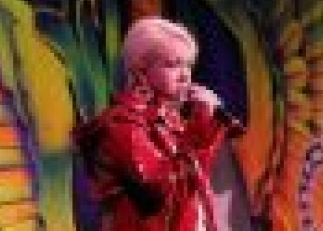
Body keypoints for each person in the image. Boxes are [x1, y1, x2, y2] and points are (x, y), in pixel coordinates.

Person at [74, 17, 238, 231]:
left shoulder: (171, 122)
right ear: (141, 71)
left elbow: (191, 186)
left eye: (188, 65)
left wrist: (209, 123)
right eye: (172, 65)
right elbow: (160, 191)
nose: (185, 76)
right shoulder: (122, 126)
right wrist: (200, 124)